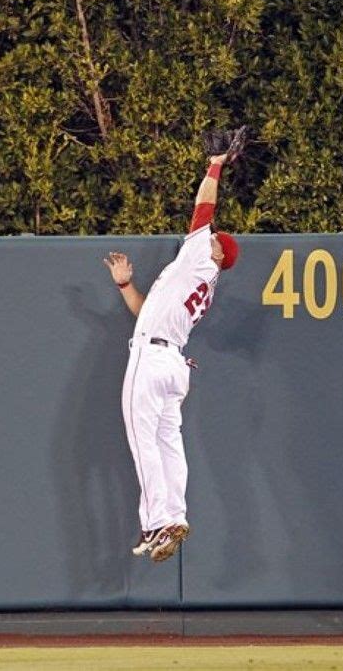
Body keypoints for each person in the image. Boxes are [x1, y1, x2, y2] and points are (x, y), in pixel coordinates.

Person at [103, 127, 247, 562]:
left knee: (142, 438)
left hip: (152, 361)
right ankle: (176, 514)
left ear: (218, 253)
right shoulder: (201, 280)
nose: (209, 235)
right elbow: (149, 313)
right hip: (171, 364)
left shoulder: (201, 256)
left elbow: (204, 205)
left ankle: (158, 523)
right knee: (167, 441)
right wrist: (127, 285)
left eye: (214, 240)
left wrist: (216, 165)